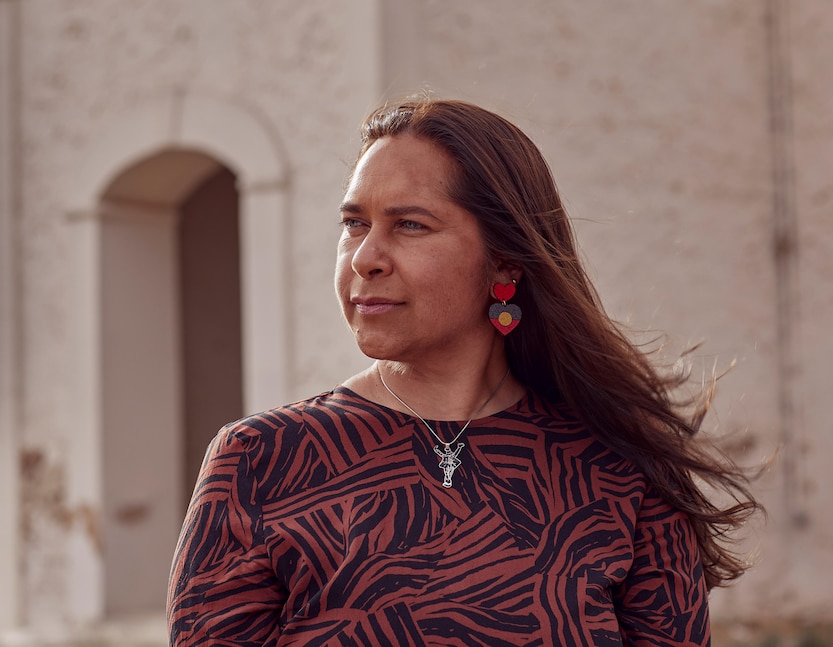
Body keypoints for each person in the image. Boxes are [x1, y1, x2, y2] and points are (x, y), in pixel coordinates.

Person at [167, 97, 759, 646]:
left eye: (410, 225)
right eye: (354, 223)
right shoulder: (261, 460)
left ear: (503, 256)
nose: (366, 257)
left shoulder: (620, 470)